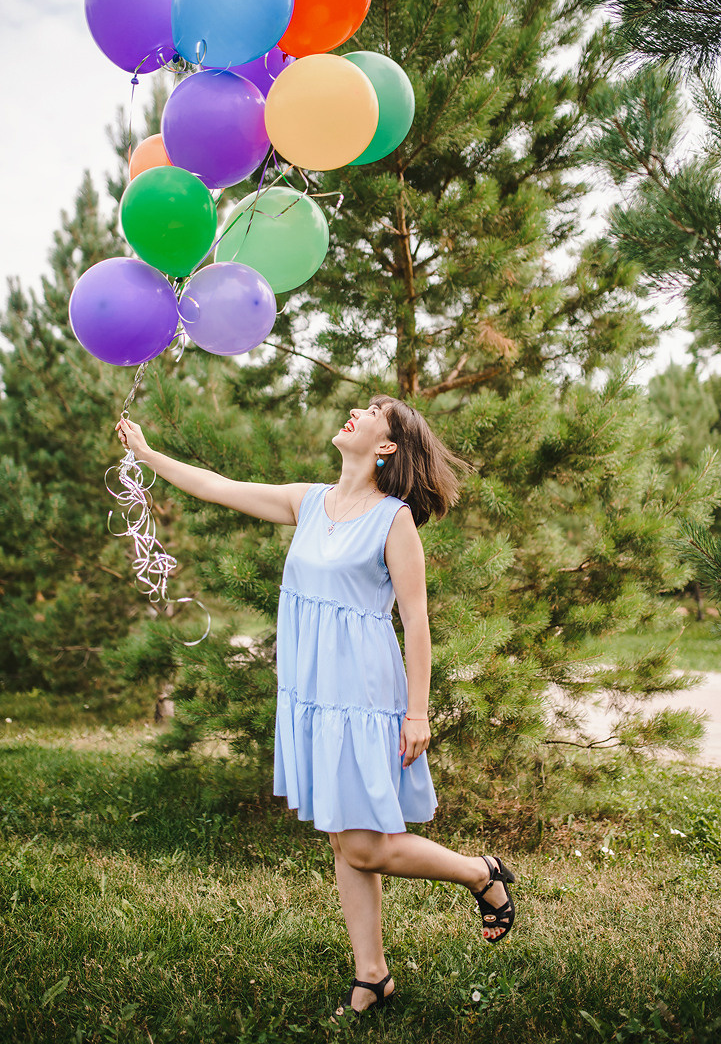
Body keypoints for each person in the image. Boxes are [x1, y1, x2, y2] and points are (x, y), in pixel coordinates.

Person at [116, 395, 516, 1017]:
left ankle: (481, 874)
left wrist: (417, 711)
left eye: (375, 411)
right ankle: (372, 976)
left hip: (362, 695)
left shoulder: (394, 520)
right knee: (343, 838)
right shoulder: (308, 503)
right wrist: (146, 454)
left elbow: (416, 623)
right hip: (313, 694)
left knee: (365, 845)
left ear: (387, 446)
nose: (357, 411)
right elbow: (218, 486)